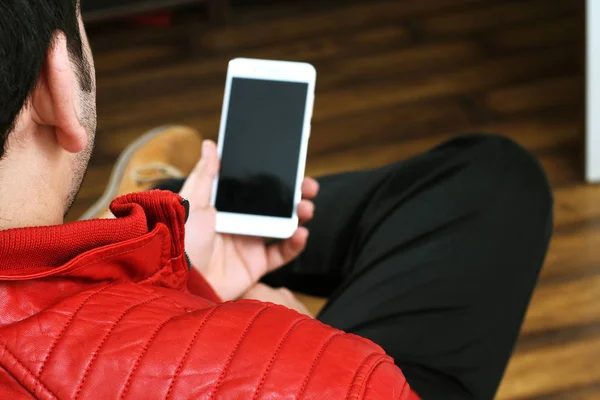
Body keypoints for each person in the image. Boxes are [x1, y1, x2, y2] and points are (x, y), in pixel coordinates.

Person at [0, 1, 552, 399]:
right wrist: (290, 338)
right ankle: (135, 223)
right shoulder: (323, 374)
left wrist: (192, 279)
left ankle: (136, 235)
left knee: (487, 177)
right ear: (58, 86)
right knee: (495, 180)